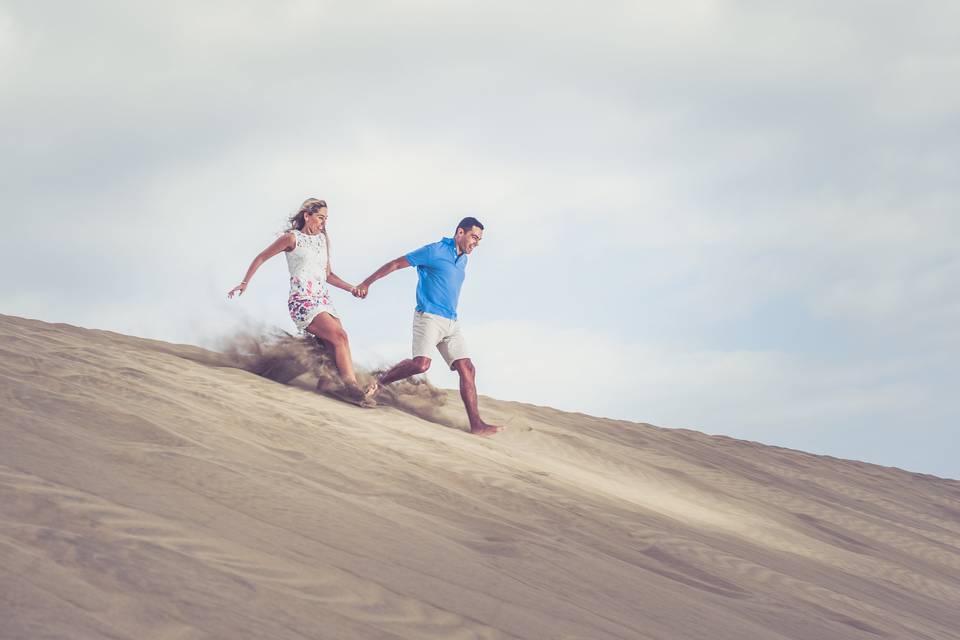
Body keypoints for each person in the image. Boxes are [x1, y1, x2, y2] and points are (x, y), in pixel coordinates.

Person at [354, 217, 503, 436]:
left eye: (479, 240)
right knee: (421, 365)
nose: (476, 243)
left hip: (452, 323)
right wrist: (366, 283)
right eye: (474, 237)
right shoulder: (435, 251)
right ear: (460, 232)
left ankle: (477, 425)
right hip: (429, 317)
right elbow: (396, 263)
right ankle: (377, 382)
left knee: (468, 368)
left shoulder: (463, 259)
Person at [227, 198, 366, 401]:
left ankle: (327, 384)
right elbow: (261, 257)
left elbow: (328, 275)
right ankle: (353, 388)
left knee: (332, 345)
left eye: (326, 219)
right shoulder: (292, 238)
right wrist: (244, 282)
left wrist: (351, 288)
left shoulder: (322, 240)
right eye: (320, 217)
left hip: (323, 300)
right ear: (306, 216)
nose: (323, 222)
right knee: (340, 337)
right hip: (302, 301)